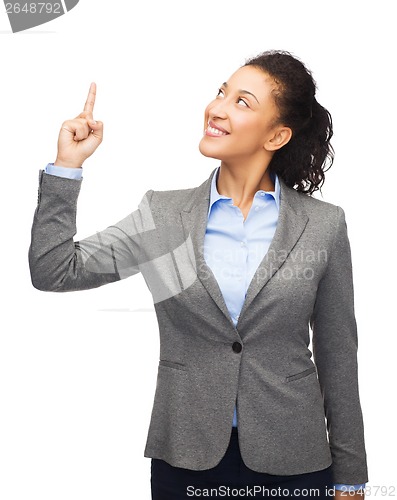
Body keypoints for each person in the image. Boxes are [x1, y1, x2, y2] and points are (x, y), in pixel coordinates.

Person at [29, 50, 368, 499]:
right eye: (221, 92)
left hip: (294, 458)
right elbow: (55, 270)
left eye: (243, 102)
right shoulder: (164, 217)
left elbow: (338, 354)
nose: (218, 108)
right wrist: (67, 167)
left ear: (277, 135)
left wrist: (351, 475)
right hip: (186, 458)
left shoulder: (323, 224)